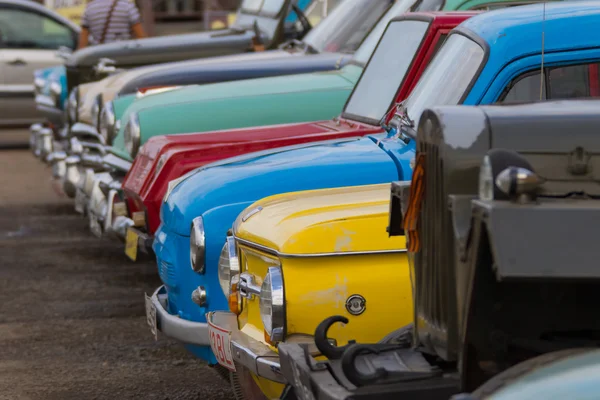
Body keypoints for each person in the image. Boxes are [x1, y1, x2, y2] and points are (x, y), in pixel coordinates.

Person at [78, 0, 147, 49]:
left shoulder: (89, 8)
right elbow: (140, 37)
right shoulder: (127, 6)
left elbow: (83, 43)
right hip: (123, 53)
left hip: (99, 55)